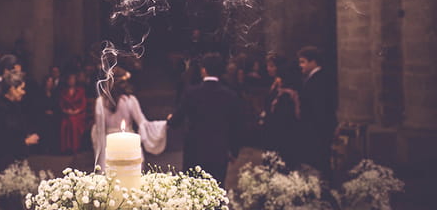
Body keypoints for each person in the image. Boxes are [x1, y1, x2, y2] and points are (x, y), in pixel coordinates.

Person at [167, 52, 243, 186]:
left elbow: (176, 120)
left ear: (204, 70)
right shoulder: (230, 95)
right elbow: (237, 126)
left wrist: (170, 119)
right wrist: (234, 151)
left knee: (194, 192)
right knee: (216, 190)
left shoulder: (191, 93)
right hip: (219, 150)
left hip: (195, 150)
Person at [92, 66, 167, 171]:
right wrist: (163, 125)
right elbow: (143, 124)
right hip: (129, 145)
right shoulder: (130, 100)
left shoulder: (100, 102)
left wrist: (101, 158)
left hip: (110, 145)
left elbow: (99, 132)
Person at [0, 69, 39, 171]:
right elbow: (0, 139)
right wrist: (25, 142)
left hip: (16, 159)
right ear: (12, 89)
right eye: (21, 89)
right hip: (4, 162)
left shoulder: (15, 106)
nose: (24, 92)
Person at [297, 46, 337, 180]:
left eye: (303, 62)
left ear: (313, 62)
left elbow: (319, 108)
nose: (300, 65)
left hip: (317, 129)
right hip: (315, 128)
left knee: (319, 163)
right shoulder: (313, 78)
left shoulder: (319, 79)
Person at [261, 52, 301, 169]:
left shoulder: (287, 87)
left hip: (281, 134)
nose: (269, 69)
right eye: (268, 66)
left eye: (272, 66)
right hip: (270, 131)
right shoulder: (275, 83)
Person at [59, 72, 87, 154]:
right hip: (66, 114)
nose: (71, 81)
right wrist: (66, 111)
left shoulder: (80, 91)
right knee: (65, 123)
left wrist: (76, 111)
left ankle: (75, 147)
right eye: (69, 79)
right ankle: (66, 148)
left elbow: (83, 104)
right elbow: (61, 104)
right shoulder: (63, 92)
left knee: (73, 122)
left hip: (78, 114)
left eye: (73, 79)